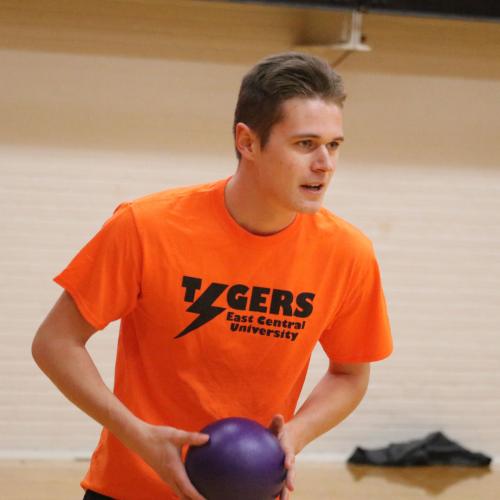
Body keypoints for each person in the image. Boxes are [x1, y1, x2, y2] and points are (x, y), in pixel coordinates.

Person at [32, 52, 392, 500]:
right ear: (247, 141)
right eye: (305, 144)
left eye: (334, 145)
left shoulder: (348, 253)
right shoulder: (146, 226)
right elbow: (55, 343)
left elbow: (350, 373)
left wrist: (295, 435)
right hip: (129, 490)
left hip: (250, 491)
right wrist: (137, 434)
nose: (325, 164)